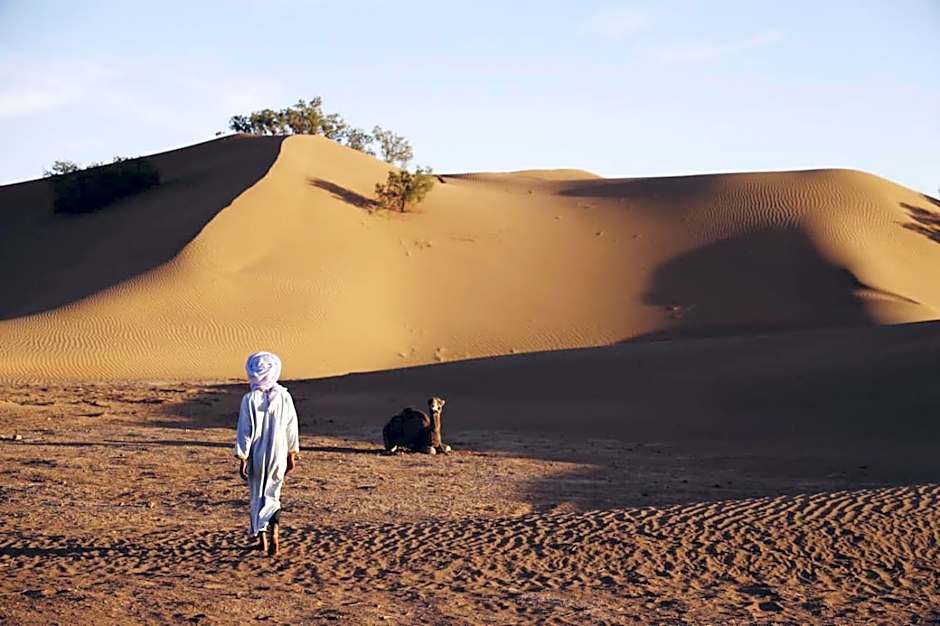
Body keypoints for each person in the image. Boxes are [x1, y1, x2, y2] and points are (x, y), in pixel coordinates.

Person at [235, 351, 300, 557]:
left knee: (257, 495)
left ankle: (263, 539)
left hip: (257, 454)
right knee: (273, 493)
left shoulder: (249, 399)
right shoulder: (285, 396)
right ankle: (275, 535)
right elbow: (292, 428)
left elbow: (245, 430)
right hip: (279, 454)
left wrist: (242, 457)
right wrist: (291, 454)